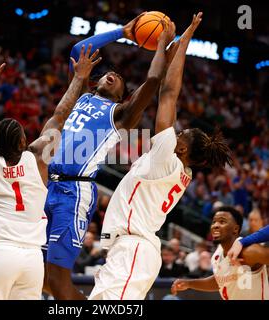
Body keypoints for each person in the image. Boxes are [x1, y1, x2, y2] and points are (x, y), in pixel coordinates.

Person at [88, 13, 232, 300]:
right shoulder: (178, 167)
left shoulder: (168, 157)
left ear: (181, 148)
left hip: (134, 249)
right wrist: (181, 43)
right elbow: (169, 96)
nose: (176, 130)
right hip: (132, 250)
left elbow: (168, 93)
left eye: (181, 133)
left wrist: (184, 38)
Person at [44, 13, 176, 300]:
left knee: (56, 280)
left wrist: (163, 44)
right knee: (38, 273)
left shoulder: (119, 115)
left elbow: (153, 80)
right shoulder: (79, 92)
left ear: (122, 96)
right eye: (107, 73)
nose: (111, 74)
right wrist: (123, 31)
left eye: (119, 80)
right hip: (46, 185)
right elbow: (80, 51)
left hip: (74, 192)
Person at [0, 45, 101, 300]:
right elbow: (60, 114)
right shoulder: (38, 159)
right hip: (32, 261)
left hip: (0, 254)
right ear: (21, 142)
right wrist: (80, 77)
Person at [171, 206, 269, 300]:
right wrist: (189, 284)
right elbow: (220, 280)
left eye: (222, 221)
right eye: (214, 222)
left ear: (235, 229)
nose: (215, 225)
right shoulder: (217, 255)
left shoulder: (248, 251)